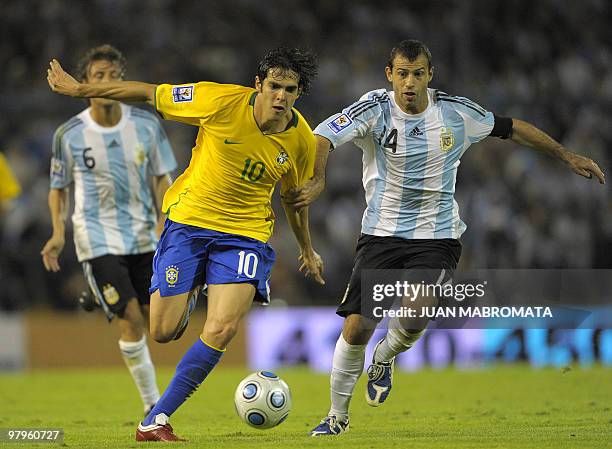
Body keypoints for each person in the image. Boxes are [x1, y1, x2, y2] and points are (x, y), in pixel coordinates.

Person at [283, 39, 605, 436]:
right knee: (356, 328)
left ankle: (384, 357)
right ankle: (337, 417)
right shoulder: (374, 109)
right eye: (402, 74)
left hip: (437, 235)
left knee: (418, 310)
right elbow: (323, 135)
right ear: (390, 75)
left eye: (418, 74)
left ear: (430, 75)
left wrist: (566, 155)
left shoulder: (456, 112)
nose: (410, 83)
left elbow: (512, 128)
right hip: (381, 233)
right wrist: (317, 178)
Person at [47, 46, 324, 442]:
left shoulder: (301, 141)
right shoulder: (218, 100)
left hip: (245, 236)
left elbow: (293, 200)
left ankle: (155, 420)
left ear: (299, 93)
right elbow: (148, 92)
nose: (281, 96)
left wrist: (307, 249)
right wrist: (80, 91)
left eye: (290, 89)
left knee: (223, 327)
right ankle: (194, 286)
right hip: (189, 224)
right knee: (161, 331)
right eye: (275, 86)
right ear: (258, 85)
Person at [41, 45, 177, 418]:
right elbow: (58, 187)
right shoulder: (69, 134)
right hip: (96, 238)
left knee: (162, 323)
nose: (107, 82)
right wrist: (58, 233)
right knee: (131, 320)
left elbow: (162, 178)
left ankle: (98, 296)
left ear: (123, 78)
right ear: (84, 83)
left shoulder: (146, 125)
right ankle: (152, 405)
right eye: (98, 75)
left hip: (146, 236)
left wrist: (167, 220)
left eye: (113, 75)